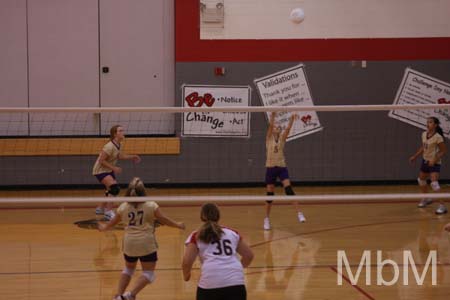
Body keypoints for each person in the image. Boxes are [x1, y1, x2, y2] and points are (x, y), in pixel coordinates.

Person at [98, 177, 185, 300]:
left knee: (128, 269)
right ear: (143, 191)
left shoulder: (123, 207)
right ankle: (131, 295)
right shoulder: (151, 205)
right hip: (146, 244)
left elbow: (113, 222)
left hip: (129, 244)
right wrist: (178, 225)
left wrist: (105, 227)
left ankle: (118, 296)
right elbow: (163, 219)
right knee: (148, 274)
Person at [182, 203, 254, 300]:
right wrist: (236, 270)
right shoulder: (232, 233)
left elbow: (187, 261)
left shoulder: (197, 235)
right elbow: (249, 255)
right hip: (236, 283)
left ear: (202, 217)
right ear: (218, 216)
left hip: (210, 282)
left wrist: (186, 276)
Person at [264, 112, 306, 230]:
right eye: (275, 127)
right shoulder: (268, 139)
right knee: (270, 196)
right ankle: (266, 218)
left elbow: (287, 129)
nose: (276, 128)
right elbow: (270, 126)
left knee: (289, 190)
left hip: (282, 168)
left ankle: (299, 213)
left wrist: (292, 119)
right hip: (270, 168)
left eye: (278, 127)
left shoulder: (282, 139)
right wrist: (272, 117)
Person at [92, 125, 141, 220]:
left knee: (109, 190)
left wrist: (133, 156)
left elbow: (119, 156)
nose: (123, 132)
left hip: (108, 170)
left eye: (123, 130)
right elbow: (101, 161)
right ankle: (108, 212)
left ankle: (100, 208)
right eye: (120, 131)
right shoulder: (109, 146)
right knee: (114, 189)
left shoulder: (119, 144)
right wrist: (114, 168)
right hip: (100, 170)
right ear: (115, 134)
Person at [409, 117, 447, 214]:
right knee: (421, 180)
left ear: (435, 125)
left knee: (434, 183)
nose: (428, 124)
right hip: (425, 161)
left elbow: (443, 151)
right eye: (427, 122)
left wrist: (434, 160)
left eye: (430, 122)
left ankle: (442, 206)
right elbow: (423, 147)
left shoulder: (438, 137)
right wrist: (415, 156)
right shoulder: (424, 134)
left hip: (434, 163)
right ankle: (426, 198)